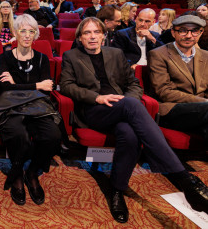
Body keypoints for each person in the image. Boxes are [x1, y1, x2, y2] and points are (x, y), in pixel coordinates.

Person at [60, 17, 208, 223]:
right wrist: (97, 97)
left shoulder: (116, 54)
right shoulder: (71, 56)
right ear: (80, 38)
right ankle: (185, 179)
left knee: (129, 135)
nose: (92, 37)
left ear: (104, 36)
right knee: (131, 106)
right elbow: (66, 86)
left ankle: (117, 190)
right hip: (94, 111)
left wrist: (129, 103)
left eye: (96, 32)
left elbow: (134, 84)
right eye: (87, 33)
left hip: (122, 108)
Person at [0, 14, 61, 206]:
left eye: (32, 31)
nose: (27, 35)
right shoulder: (5, 57)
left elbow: (48, 89)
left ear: (36, 35)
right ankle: (17, 175)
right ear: (15, 33)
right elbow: (6, 89)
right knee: (19, 134)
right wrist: (37, 85)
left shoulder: (42, 59)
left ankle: (32, 172)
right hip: (12, 108)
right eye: (23, 30)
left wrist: (18, 85)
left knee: (53, 136)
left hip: (37, 108)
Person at [148, 15, 208, 148]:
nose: (189, 35)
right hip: (172, 109)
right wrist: (203, 102)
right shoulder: (158, 54)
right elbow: (164, 92)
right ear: (173, 32)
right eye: (183, 30)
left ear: (200, 33)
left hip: (202, 111)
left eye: (194, 31)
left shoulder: (206, 56)